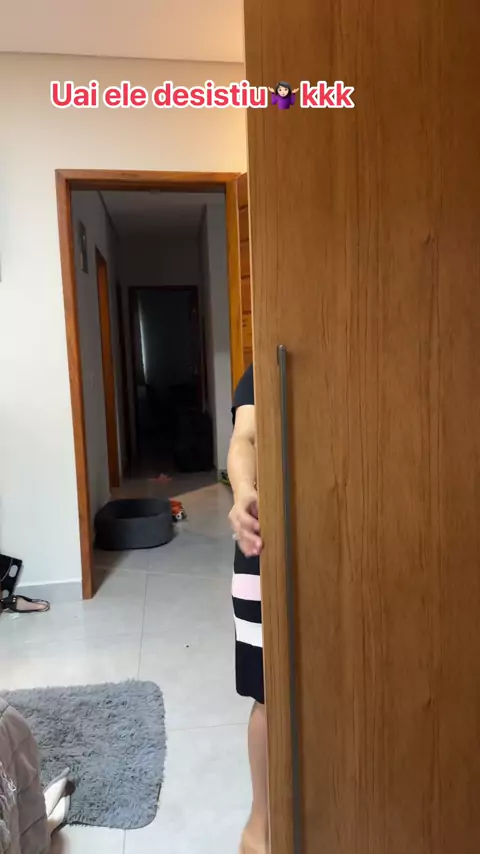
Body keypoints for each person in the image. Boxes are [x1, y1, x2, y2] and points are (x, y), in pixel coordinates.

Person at [227, 364, 267, 854]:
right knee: (268, 696)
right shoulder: (262, 371)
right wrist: (243, 492)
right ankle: (260, 826)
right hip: (264, 546)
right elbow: (246, 437)